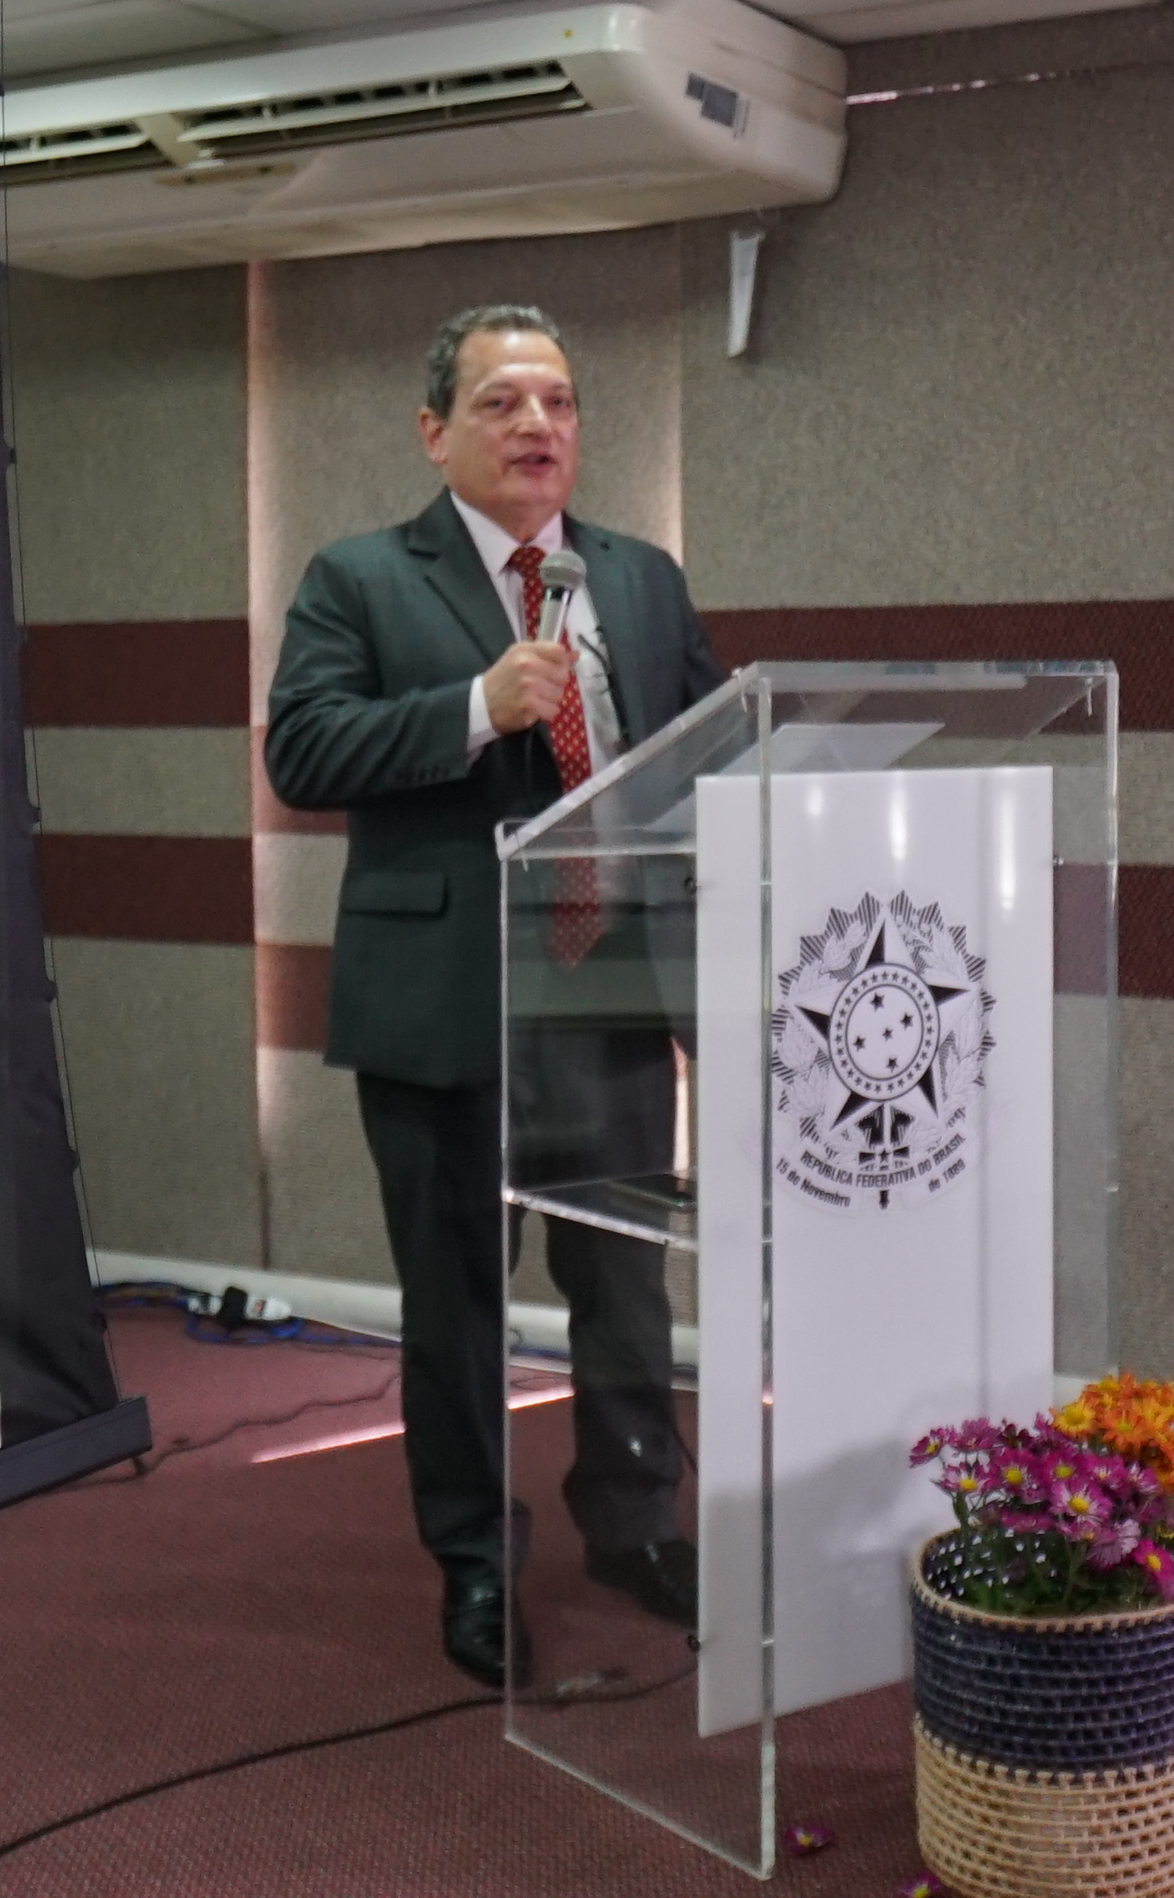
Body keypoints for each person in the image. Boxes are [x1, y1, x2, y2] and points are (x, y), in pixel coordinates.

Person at [263, 304, 722, 1688]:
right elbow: (302, 749)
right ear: (435, 432)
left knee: (623, 1285)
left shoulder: (640, 579)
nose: (539, 426)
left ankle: (635, 1524)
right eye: (504, 402)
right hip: (447, 999)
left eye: (561, 403)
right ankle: (474, 1560)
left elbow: (707, 752)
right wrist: (475, 706)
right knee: (458, 1298)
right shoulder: (359, 577)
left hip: (609, 987)